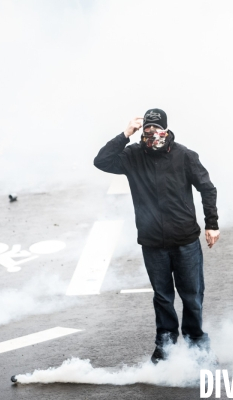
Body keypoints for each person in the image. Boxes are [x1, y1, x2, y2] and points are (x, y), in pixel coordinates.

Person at [93, 108, 220, 364]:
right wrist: (125, 133)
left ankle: (197, 344)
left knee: (192, 295)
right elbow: (101, 161)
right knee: (162, 297)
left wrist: (212, 224)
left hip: (185, 240)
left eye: (155, 131)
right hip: (153, 242)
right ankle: (165, 346)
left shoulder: (184, 155)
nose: (151, 136)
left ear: (165, 130)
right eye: (146, 131)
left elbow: (207, 188)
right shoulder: (132, 156)